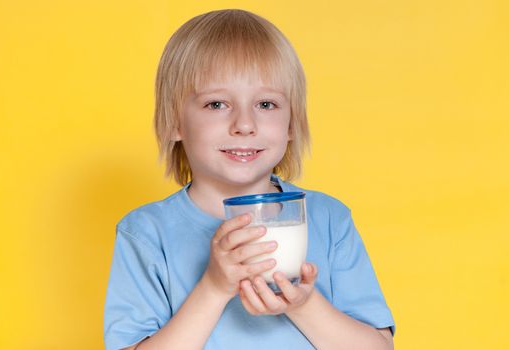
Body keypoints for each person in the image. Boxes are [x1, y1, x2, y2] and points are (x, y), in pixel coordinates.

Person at [104, 9, 395, 350]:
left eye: (266, 104)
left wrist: (304, 305)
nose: (245, 124)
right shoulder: (145, 233)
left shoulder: (329, 218)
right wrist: (213, 287)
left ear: (291, 125)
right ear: (175, 123)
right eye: (216, 104)